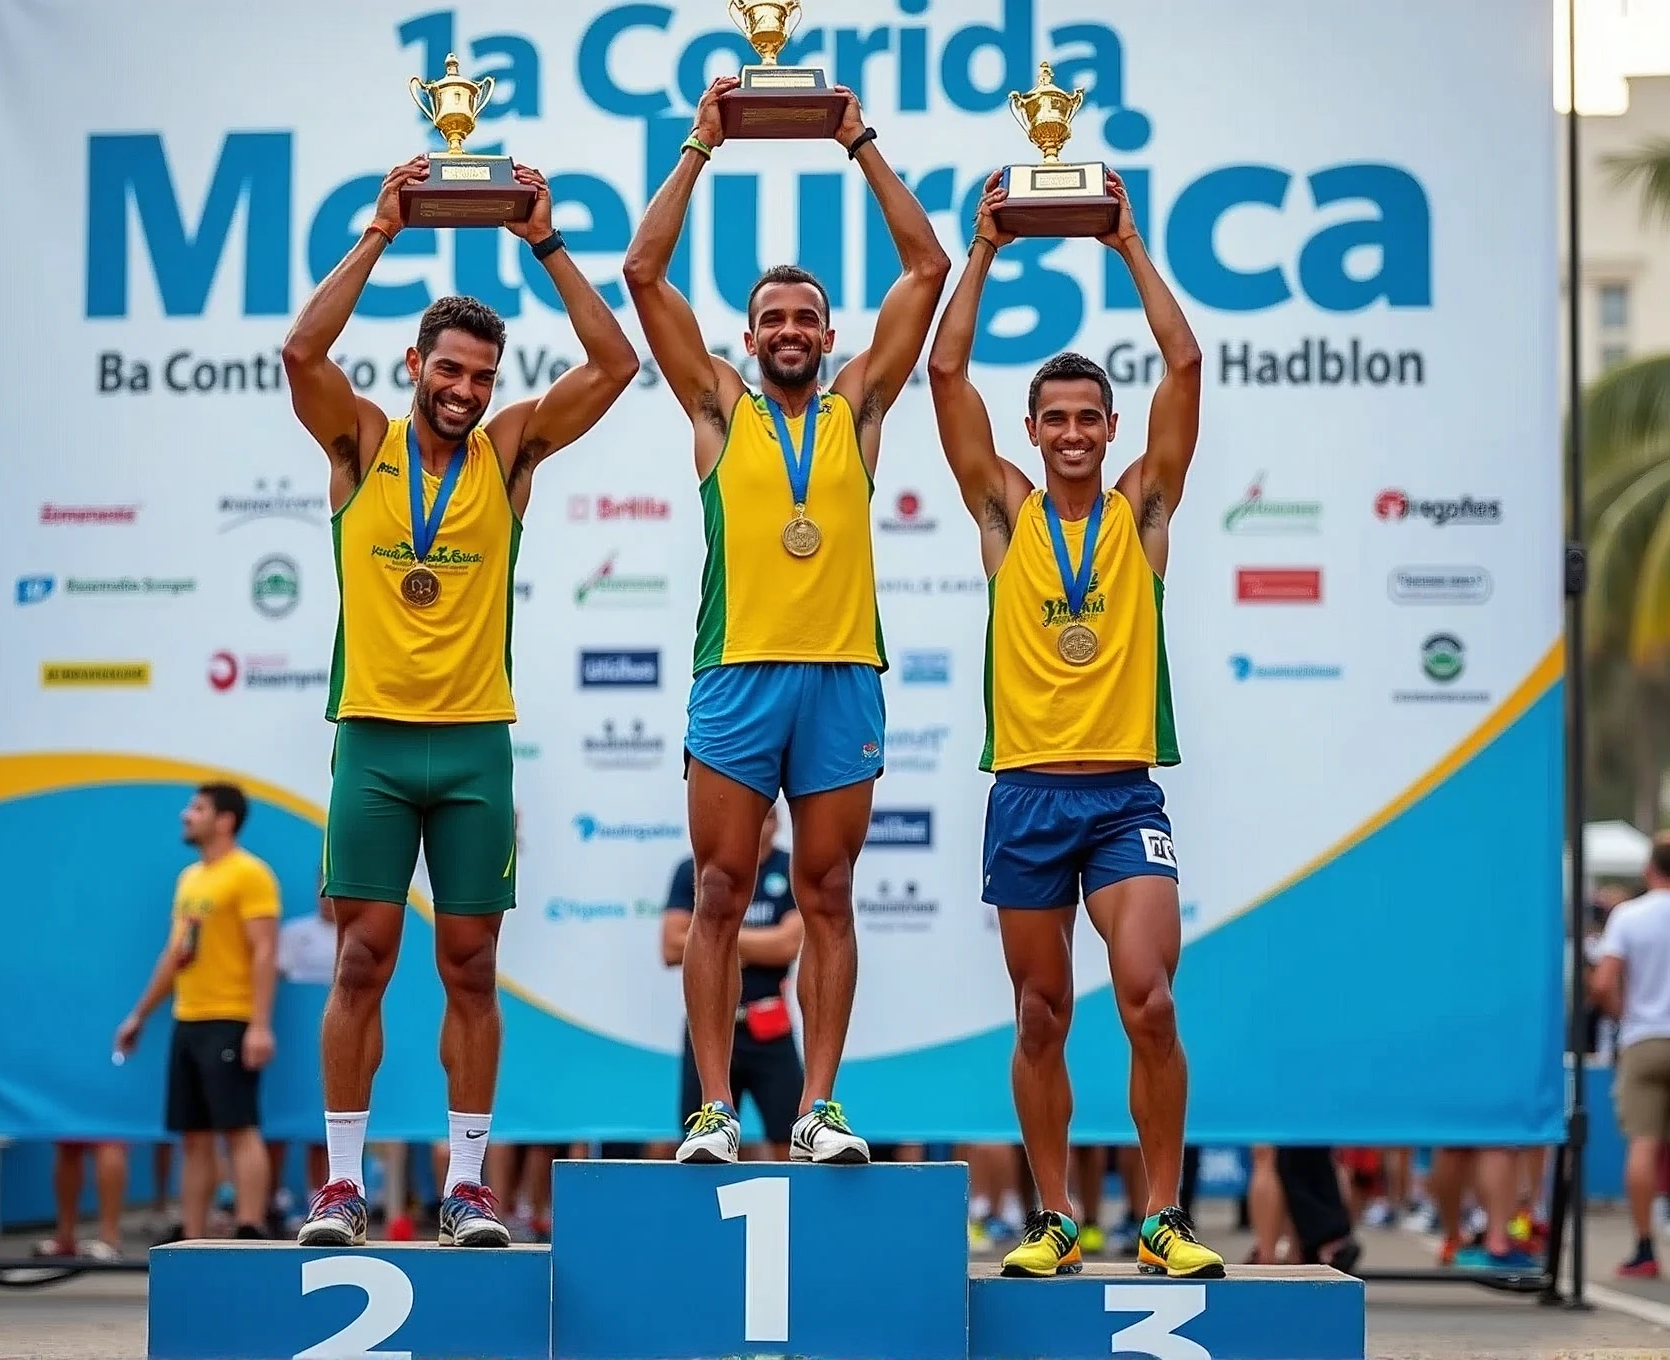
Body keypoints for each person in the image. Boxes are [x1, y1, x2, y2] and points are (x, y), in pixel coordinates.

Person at [280, 154, 637, 1247]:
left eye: (481, 375)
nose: (465, 390)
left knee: (470, 964)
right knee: (360, 958)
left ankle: (468, 1183)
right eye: (448, 370)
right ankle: (342, 1185)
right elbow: (300, 350)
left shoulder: (509, 449)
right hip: (376, 746)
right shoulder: (363, 444)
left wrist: (546, 242)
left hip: (476, 746)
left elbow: (615, 363)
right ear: (414, 363)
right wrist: (380, 227)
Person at [622, 76, 949, 1166]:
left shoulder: (858, 408)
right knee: (717, 888)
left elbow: (927, 269)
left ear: (829, 332)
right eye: (773, 318)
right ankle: (712, 1108)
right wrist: (698, 146)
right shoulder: (717, 408)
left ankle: (816, 1106)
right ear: (750, 335)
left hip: (842, 672)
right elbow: (640, 272)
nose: (791, 329)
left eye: (807, 316)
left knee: (827, 891)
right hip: (738, 673)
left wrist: (857, 136)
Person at [925, 171, 1220, 1281]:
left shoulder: (1143, 507)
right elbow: (944, 370)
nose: (1071, 435)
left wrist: (1129, 243)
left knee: (1146, 998)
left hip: (1121, 796)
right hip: (1027, 796)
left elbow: (1184, 366)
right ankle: (1053, 1216)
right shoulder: (1001, 510)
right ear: (1032, 431)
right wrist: (985, 249)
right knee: (1040, 1012)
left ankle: (1158, 1214)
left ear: (1107, 427)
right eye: (1052, 420)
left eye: (1087, 418)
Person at [114, 782, 280, 1241]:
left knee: (239, 1127)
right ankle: (194, 1235)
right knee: (194, 1135)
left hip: (231, 1018)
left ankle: (249, 1226)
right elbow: (176, 954)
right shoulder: (189, 879)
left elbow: (265, 950)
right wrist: (140, 1015)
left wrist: (260, 1024)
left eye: (198, 808)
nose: (187, 815)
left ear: (224, 819)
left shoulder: (250, 874)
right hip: (188, 1019)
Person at [1592, 829, 1670, 1278]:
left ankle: (1645, 1248)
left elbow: (1604, 981)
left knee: (1643, 1145)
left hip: (1642, 1039)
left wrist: (1626, 1015)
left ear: (1650, 869)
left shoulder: (1627, 916)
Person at [661, 802, 804, 1159]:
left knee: (791, 1140)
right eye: (754, 815)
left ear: (778, 823)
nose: (761, 825)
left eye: (769, 816)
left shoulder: (790, 868)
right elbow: (671, 946)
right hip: (710, 1022)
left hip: (769, 1026)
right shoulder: (694, 869)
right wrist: (756, 943)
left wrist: (718, 938)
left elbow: (788, 944)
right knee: (701, 1143)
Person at [267, 895, 340, 1231]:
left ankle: (322, 1198)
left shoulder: (356, 933)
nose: (327, 900)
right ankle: (270, 1198)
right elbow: (277, 978)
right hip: (296, 1046)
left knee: (324, 1127)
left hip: (334, 1045)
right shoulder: (295, 932)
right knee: (277, 1125)